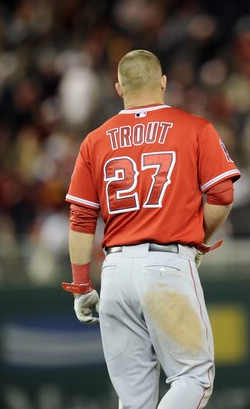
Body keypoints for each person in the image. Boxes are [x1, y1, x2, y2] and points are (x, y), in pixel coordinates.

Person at [61, 49, 240, 409]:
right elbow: (221, 195)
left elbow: (82, 218)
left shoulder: (95, 140)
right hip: (166, 264)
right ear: (163, 83)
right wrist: (196, 240)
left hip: (114, 272)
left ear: (118, 88)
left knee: (134, 399)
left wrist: (81, 284)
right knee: (194, 377)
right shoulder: (194, 127)